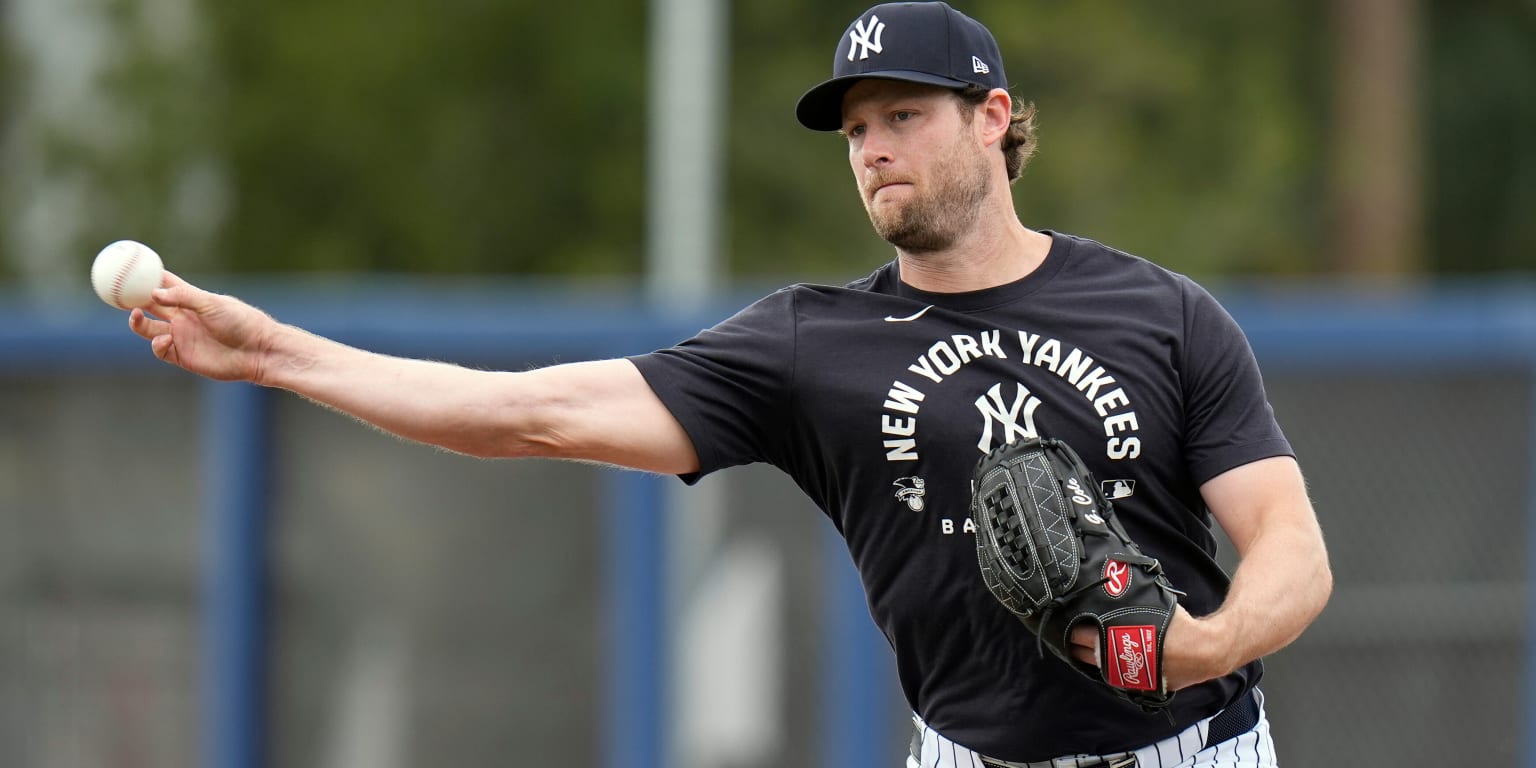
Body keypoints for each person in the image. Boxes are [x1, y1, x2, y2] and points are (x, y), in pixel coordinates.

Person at [128, 2, 1331, 765]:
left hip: (1197, 746)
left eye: (903, 116)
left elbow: (1290, 545)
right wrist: (273, 352)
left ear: (994, 119)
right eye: (856, 131)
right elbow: (530, 416)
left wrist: (1198, 643)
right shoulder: (812, 346)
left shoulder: (1160, 313)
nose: (873, 151)